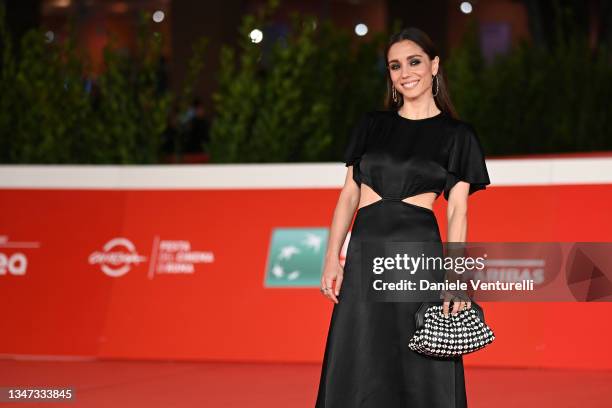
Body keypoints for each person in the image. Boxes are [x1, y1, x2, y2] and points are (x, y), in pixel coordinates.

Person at [315, 27, 491, 408]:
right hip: (364, 254)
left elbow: (458, 209)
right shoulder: (371, 125)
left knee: (419, 364)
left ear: (434, 65)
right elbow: (348, 195)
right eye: (395, 65)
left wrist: (456, 276)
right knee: (359, 357)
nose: (405, 72)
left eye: (414, 61)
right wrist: (332, 256)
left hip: (416, 258)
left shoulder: (458, 135)